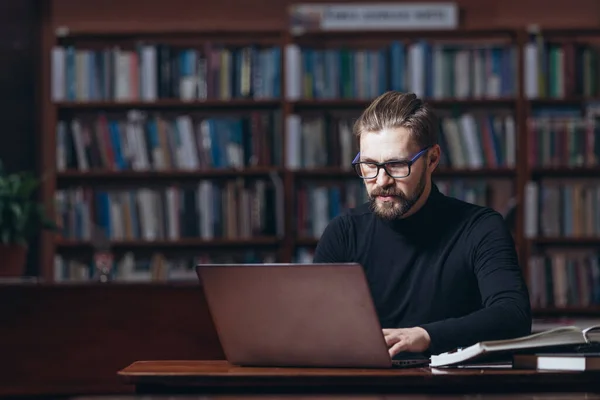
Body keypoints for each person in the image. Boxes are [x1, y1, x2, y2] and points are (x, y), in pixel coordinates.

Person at [313, 91, 532, 359]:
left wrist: (426, 336)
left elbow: (514, 315)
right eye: (369, 165)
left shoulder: (481, 228)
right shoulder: (343, 233)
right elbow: (314, 327)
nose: (381, 180)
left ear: (432, 160)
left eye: (396, 165)